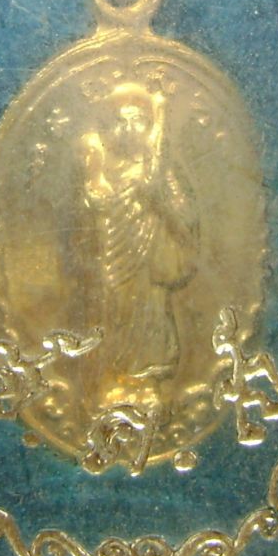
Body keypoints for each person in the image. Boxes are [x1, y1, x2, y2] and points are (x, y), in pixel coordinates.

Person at [80, 79, 199, 406]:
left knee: (149, 312)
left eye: (137, 121)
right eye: (121, 122)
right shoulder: (106, 166)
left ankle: (146, 384)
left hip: (148, 259)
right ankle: (116, 377)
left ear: (148, 129)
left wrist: (161, 203)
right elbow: (92, 204)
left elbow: (183, 209)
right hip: (115, 256)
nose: (129, 129)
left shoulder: (159, 169)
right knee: (116, 311)